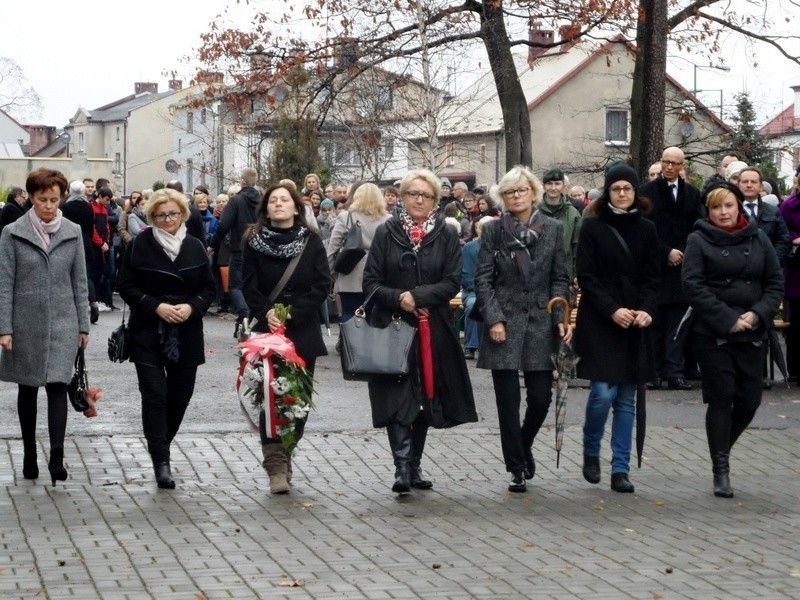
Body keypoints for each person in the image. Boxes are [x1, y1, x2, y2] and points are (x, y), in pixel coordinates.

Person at [362, 169, 478, 494]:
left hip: (433, 329)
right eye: (412, 193)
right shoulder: (387, 232)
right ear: (402, 197)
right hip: (393, 328)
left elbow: (452, 281)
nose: (418, 200)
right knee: (398, 398)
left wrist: (421, 296)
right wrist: (400, 298)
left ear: (435, 201)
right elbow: (371, 281)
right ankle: (401, 467)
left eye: (425, 195)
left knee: (426, 397)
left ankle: (414, 463)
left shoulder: (445, 235)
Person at [474, 166, 572, 493]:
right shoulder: (492, 232)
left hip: (541, 323)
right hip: (503, 321)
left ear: (534, 192)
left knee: (541, 398)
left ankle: (524, 444)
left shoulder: (554, 228)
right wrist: (494, 319)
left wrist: (561, 316)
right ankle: (515, 468)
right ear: (502, 198)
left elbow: (560, 278)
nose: (516, 196)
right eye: (510, 192)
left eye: (522, 190)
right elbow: (483, 281)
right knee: (507, 401)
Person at [682, 183, 783, 498]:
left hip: (752, 331)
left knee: (750, 401)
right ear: (708, 211)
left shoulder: (758, 237)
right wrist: (728, 319)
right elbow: (693, 285)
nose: (723, 212)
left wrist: (757, 314)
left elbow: (774, 282)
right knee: (722, 396)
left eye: (728, 205)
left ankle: (721, 446)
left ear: (738, 206)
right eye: (716, 207)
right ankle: (721, 469)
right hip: (713, 333)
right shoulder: (698, 240)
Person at [116, 188, 215, 489]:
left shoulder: (196, 246)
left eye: (173, 213)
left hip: (186, 331)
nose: (168, 219)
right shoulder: (139, 245)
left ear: (183, 214)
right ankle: (162, 460)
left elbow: (210, 290)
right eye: (161, 215)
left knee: (180, 397)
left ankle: (160, 443)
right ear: (152, 217)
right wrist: (154, 305)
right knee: (155, 395)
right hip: (148, 330)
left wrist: (192, 307)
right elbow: (126, 286)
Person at [0, 168, 90, 486]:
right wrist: (5, 328)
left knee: (56, 386)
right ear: (31, 198)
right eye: (42, 199)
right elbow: (4, 283)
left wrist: (83, 325)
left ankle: (56, 457)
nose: (49, 205)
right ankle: (28, 452)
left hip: (64, 321)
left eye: (54, 199)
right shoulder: (12, 233)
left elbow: (80, 281)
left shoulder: (72, 231)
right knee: (28, 388)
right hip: (25, 322)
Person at [575, 164, 660, 493]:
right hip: (601, 320)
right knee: (602, 393)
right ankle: (591, 446)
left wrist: (647, 311)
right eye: (616, 189)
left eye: (627, 188)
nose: (622, 194)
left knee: (626, 399)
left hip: (636, 321)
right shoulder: (592, 228)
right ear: (607, 193)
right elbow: (587, 277)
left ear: (635, 192)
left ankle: (620, 469)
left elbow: (654, 279)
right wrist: (613, 310)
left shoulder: (648, 230)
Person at [242, 183, 331, 494]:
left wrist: (293, 313)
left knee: (298, 401)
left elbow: (322, 284)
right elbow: (248, 284)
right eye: (273, 200)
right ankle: (276, 465)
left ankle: (287, 451)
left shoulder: (312, 241)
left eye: (285, 200)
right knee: (269, 398)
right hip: (267, 331)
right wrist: (266, 311)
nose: (278, 204)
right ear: (265, 208)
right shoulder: (253, 241)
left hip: (301, 329)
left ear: (296, 208)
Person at [640, 147, 704, 391]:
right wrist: (666, 251)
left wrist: (682, 251)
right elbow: (644, 227)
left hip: (681, 266)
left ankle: (675, 373)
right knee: (654, 322)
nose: (669, 167)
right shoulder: (646, 192)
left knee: (677, 325)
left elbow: (696, 225)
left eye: (674, 163)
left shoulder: (692, 193)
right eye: (665, 162)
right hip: (655, 265)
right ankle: (653, 373)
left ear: (681, 166)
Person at [327, 183, 391, 324]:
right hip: (380, 275)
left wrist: (329, 275)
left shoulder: (346, 217)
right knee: (377, 318)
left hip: (350, 275)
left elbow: (332, 249)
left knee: (350, 317)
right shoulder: (389, 220)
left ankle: (349, 346)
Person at [209, 167, 262, 336]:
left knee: (235, 286)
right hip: (260, 248)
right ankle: (247, 319)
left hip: (239, 248)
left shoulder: (236, 201)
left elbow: (223, 225)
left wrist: (213, 244)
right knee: (253, 284)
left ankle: (244, 312)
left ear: (242, 182)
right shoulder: (262, 201)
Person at [541, 167, 582, 283]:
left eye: (557, 184)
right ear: (543, 186)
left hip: (565, 276)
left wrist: (576, 274)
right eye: (549, 183)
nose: (553, 188)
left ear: (563, 186)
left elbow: (577, 247)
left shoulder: (573, 214)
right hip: (538, 278)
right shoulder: (533, 212)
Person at [461, 216, 494, 360]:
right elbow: (466, 276)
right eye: (482, 227)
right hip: (473, 291)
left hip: (496, 291)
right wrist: (484, 290)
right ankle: (471, 346)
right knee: (474, 304)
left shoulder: (501, 247)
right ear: (477, 229)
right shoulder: (469, 248)